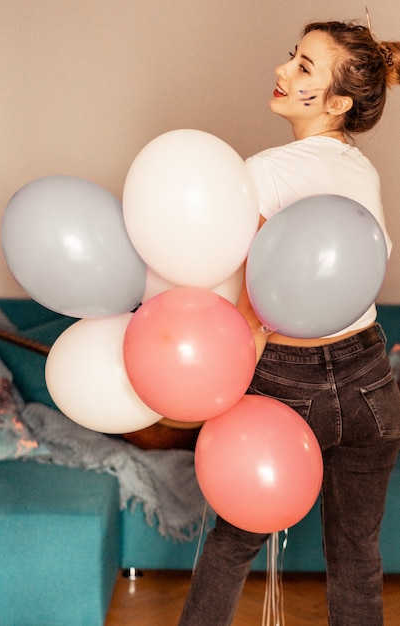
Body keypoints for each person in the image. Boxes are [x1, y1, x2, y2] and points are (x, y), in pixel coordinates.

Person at [178, 19, 400, 626]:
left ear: (339, 101)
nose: (283, 71)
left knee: (232, 542)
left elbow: (246, 293)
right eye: (291, 58)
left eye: (304, 67)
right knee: (356, 554)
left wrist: (228, 368)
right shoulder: (363, 171)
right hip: (371, 379)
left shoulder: (262, 173)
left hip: (288, 376)